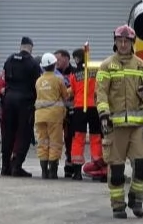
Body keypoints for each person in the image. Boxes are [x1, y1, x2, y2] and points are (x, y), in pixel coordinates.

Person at [95, 24, 143, 219]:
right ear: (115, 43)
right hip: (115, 125)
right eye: (120, 41)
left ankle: (137, 200)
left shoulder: (141, 65)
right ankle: (118, 205)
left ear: (132, 43)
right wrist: (103, 115)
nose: (123, 44)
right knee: (117, 169)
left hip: (138, 125)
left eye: (126, 41)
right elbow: (101, 93)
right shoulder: (106, 66)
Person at [0, 36, 41, 177]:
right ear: (30, 47)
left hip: (9, 99)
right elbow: (37, 84)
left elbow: (5, 78)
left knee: (8, 133)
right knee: (24, 133)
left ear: (20, 46)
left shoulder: (9, 59)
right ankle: (16, 166)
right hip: (25, 101)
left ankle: (5, 167)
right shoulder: (32, 63)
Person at [67, 45, 104, 181]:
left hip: (79, 108)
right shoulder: (96, 70)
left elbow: (73, 91)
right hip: (94, 107)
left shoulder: (74, 74)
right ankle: (98, 167)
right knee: (96, 137)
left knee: (78, 138)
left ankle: (77, 172)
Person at [33, 52, 72, 179]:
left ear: (43, 67)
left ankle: (44, 172)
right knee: (55, 143)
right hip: (54, 116)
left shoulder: (38, 81)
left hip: (39, 116)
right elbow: (66, 96)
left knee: (42, 142)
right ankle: (52, 172)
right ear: (54, 65)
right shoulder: (58, 80)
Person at [53, 49, 75, 177]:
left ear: (67, 59)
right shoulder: (53, 73)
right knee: (55, 138)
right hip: (56, 112)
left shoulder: (74, 72)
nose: (56, 62)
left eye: (59, 59)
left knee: (70, 139)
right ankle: (53, 164)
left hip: (70, 112)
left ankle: (70, 164)